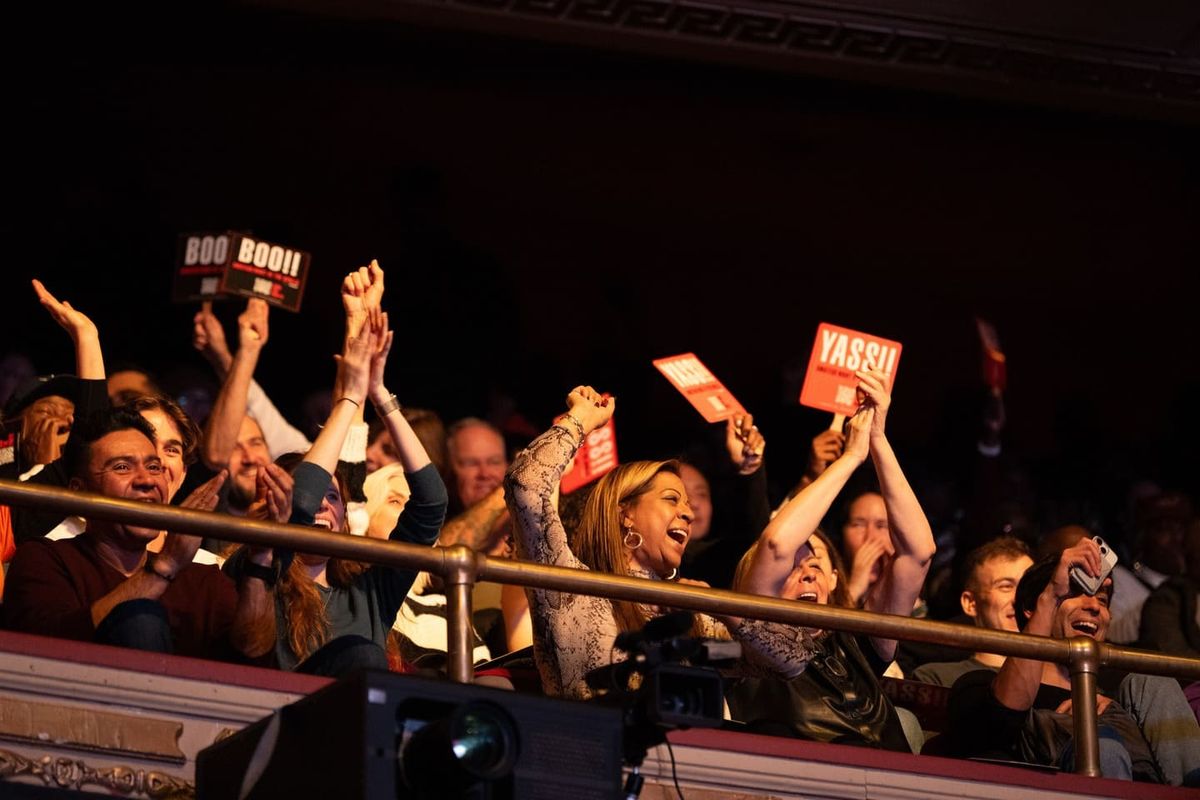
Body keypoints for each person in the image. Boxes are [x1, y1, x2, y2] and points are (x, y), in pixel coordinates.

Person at [504, 384, 815, 701]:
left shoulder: (695, 631)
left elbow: (790, 663)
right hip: (587, 747)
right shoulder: (571, 592)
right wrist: (579, 419)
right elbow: (525, 485)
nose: (688, 515)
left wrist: (728, 612)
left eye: (689, 506)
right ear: (625, 514)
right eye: (672, 500)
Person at [224, 269, 447, 676]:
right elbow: (302, 506)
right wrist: (350, 395)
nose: (323, 507)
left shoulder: (370, 587)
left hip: (359, 720)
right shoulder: (260, 561)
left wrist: (379, 395)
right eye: (315, 494)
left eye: (335, 498)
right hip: (291, 716)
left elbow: (432, 503)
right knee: (361, 655)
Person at [728, 366, 936, 751]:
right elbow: (775, 543)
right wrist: (851, 457)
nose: (806, 572)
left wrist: (877, 441)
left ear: (835, 579)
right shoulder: (753, 646)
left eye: (816, 563)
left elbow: (918, 551)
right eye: (793, 565)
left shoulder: (860, 642)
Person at [1, 408, 270, 661]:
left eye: (154, 467)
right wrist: (165, 566)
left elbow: (252, 654)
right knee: (140, 619)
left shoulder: (203, 580)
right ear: (78, 491)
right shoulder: (44, 560)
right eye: (122, 467)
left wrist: (261, 559)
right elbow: (50, 651)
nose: (147, 480)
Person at [947, 541, 1200, 784]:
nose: (1093, 606)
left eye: (1102, 600)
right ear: (1032, 607)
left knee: (1150, 680)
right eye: (1075, 592)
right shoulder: (978, 685)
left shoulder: (1130, 696)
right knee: (1103, 746)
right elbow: (999, 722)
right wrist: (1051, 594)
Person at [911, 536, 1033, 686]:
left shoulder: (1064, 677)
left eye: (1027, 586)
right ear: (971, 603)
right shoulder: (938, 679)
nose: (1018, 598)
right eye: (1005, 586)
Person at [677, 414, 768, 589]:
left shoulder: (722, 560)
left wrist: (748, 466)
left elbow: (754, 539)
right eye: (679, 494)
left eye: (702, 494)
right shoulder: (630, 562)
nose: (693, 504)